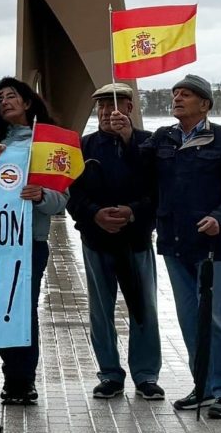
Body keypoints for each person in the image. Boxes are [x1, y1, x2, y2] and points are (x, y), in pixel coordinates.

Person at [139, 74, 221, 418]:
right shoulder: (163, 137)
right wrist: (123, 131)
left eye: (186, 94)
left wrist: (219, 217)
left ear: (205, 104)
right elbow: (136, 167)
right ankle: (203, 387)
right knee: (189, 320)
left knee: (215, 319)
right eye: (175, 94)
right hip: (173, 243)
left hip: (213, 246)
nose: (177, 98)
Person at [0, 77, 69, 405]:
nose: (5, 103)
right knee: (3, 309)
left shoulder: (49, 142)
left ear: (27, 101)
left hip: (31, 243)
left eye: (11, 96)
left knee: (24, 310)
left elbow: (60, 201)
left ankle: (22, 380)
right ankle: (11, 374)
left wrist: (40, 195)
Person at [66, 83, 163, 401]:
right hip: (96, 240)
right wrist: (94, 214)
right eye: (102, 106)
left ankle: (146, 375)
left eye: (115, 105)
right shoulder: (83, 146)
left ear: (130, 108)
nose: (108, 112)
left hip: (136, 240)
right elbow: (72, 193)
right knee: (100, 309)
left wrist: (133, 212)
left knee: (144, 307)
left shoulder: (148, 143)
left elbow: (157, 189)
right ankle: (109, 373)